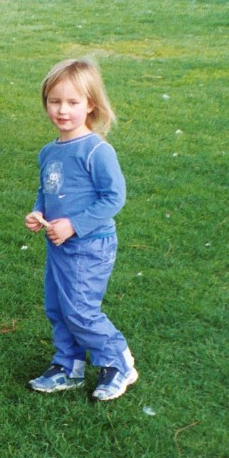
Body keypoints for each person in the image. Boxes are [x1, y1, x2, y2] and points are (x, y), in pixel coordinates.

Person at [24, 58, 137, 401]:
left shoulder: (97, 150)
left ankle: (118, 362)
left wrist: (74, 225)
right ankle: (68, 366)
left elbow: (114, 197)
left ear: (90, 105)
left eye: (73, 102)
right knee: (57, 307)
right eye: (54, 101)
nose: (62, 110)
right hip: (58, 244)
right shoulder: (49, 151)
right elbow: (47, 189)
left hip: (90, 245)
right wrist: (37, 211)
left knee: (81, 310)